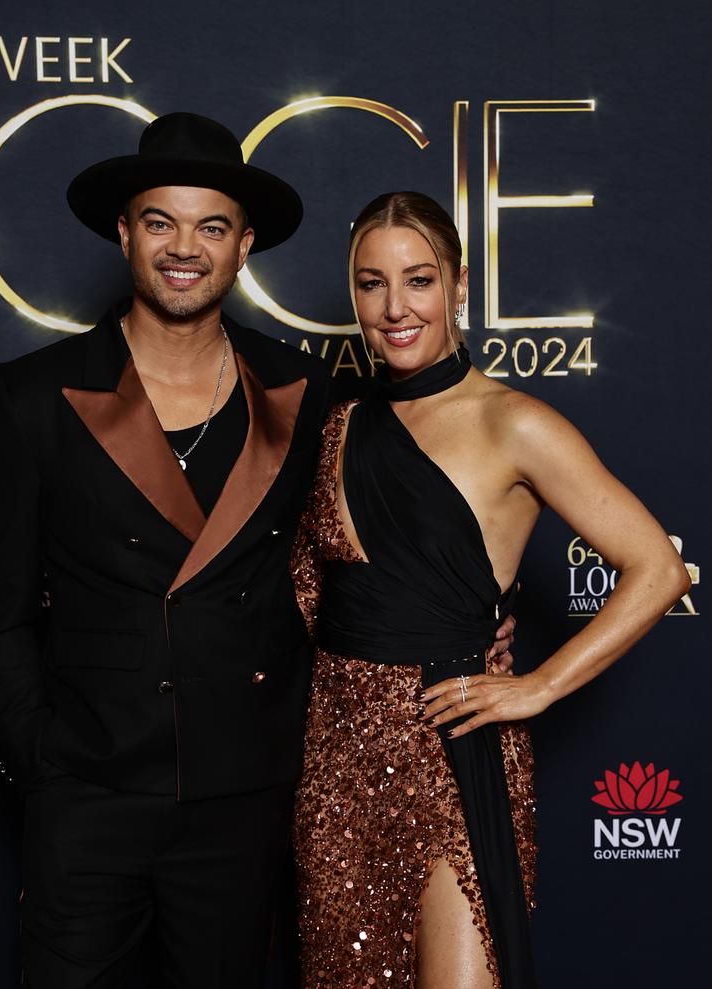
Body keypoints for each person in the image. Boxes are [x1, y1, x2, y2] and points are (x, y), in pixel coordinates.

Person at [0, 115, 514, 988]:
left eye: (212, 226)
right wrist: (43, 763)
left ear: (243, 245)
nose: (185, 248)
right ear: (124, 232)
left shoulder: (308, 392)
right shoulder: (31, 396)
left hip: (243, 803)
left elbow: (397, 532)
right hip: (87, 798)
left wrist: (475, 623)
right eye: (161, 222)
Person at [289, 190, 689, 989]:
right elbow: (304, 592)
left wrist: (536, 684)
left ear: (460, 285)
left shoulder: (516, 422)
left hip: (453, 752)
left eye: (419, 280)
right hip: (334, 761)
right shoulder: (336, 427)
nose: (395, 307)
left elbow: (660, 568)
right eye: (372, 284)